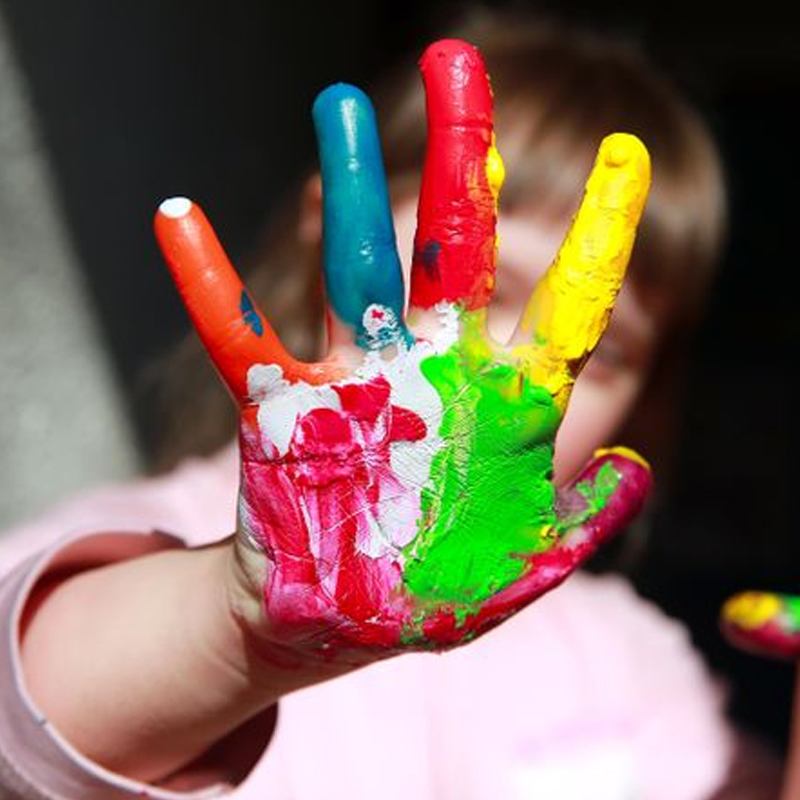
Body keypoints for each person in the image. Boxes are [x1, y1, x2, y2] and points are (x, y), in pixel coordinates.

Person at [0, 6, 792, 799]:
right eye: (489, 289)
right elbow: (29, 712)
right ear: (332, 227)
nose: (494, 371)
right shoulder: (117, 558)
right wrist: (247, 622)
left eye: (603, 346)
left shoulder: (631, 657)